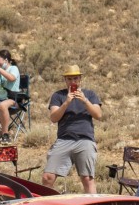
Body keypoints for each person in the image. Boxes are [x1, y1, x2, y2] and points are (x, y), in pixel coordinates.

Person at [43, 65, 102, 193]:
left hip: (85, 139)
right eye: (69, 79)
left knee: (87, 178)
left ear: (80, 79)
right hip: (64, 139)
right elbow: (54, 118)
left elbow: (98, 115)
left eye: (75, 78)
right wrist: (66, 103)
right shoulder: (58, 95)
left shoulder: (90, 94)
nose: (72, 82)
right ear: (65, 80)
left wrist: (85, 101)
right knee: (48, 177)